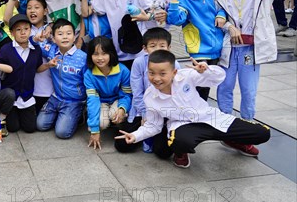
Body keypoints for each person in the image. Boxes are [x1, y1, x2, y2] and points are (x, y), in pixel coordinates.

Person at [116, 50, 271, 169]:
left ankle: (233, 140)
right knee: (179, 142)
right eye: (151, 73)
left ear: (174, 72)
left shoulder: (187, 76)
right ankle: (180, 153)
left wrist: (206, 70)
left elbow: (219, 78)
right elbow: (154, 125)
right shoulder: (150, 97)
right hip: (183, 126)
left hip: (210, 118)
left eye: (162, 73)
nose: (156, 78)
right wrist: (135, 135)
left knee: (263, 133)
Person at [215, 0, 296, 120]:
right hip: (229, 49)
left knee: (248, 89)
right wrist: (230, 27)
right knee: (224, 86)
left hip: (250, 50)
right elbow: (218, 20)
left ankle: (248, 122)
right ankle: (225, 123)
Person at [167, 0, 222, 101]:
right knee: (201, 88)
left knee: (222, 84)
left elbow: (224, 7)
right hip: (199, 50)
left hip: (220, 45)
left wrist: (221, 15)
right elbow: (176, 19)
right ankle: (197, 118)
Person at [128, 27, 181, 153]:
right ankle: (145, 136)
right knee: (123, 145)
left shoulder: (175, 65)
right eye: (153, 46)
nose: (158, 50)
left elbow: (176, 95)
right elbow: (137, 92)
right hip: (142, 109)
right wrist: (145, 114)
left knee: (163, 152)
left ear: (169, 47)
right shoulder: (139, 63)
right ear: (145, 48)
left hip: (165, 111)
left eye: (162, 45)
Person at [35, 19, 87, 139]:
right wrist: (41, 33)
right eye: (60, 34)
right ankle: (63, 117)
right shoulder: (52, 50)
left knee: (62, 133)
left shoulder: (83, 57)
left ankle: (78, 114)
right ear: (53, 38)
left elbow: (90, 82)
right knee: (40, 125)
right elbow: (32, 43)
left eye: (69, 34)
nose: (65, 37)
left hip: (74, 101)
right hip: (56, 97)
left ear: (74, 37)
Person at [0, 14, 46, 133]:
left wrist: (49, 65)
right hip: (11, 97)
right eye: (18, 30)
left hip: (27, 95)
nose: (23, 32)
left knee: (30, 128)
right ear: (12, 32)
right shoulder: (6, 49)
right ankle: (1, 116)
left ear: (30, 30)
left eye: (26, 29)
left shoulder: (36, 50)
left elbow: (37, 68)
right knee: (13, 128)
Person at [83, 36, 132, 152]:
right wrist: (95, 130)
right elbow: (93, 99)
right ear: (90, 56)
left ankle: (119, 123)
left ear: (111, 54)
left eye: (104, 53)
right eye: (95, 54)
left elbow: (127, 95)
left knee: (116, 115)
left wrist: (122, 108)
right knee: (101, 124)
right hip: (101, 101)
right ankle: (91, 117)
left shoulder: (123, 70)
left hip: (117, 100)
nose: (100, 58)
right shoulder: (89, 75)